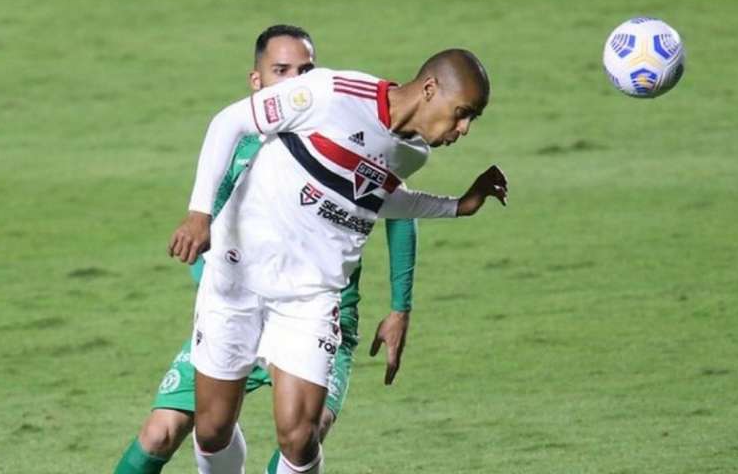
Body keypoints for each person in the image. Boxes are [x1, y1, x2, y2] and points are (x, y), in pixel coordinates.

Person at [177, 47, 507, 474]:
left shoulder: (413, 153)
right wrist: (199, 214)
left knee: (299, 437)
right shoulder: (332, 93)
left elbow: (372, 197)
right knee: (212, 429)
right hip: (238, 276)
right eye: (462, 113)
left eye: (471, 119)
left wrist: (457, 206)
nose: (463, 129)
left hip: (310, 296)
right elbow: (230, 122)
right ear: (430, 89)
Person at [114, 25, 419, 474]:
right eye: (281, 71)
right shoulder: (238, 143)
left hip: (315, 311)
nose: (296, 81)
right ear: (256, 81)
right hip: (242, 305)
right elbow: (214, 219)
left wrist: (399, 308)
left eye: (305, 70)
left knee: (302, 437)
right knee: (165, 432)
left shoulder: (337, 127)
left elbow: (399, 206)